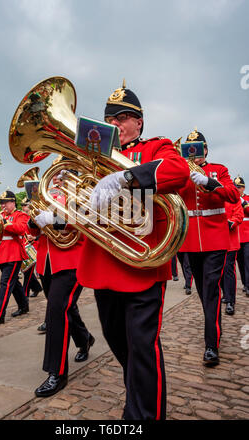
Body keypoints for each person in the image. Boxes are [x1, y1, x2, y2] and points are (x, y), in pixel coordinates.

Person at [65, 82, 189, 420]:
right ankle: (136, 398)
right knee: (117, 340)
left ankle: (145, 415)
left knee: (142, 347)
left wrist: (127, 177)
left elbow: (179, 172)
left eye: (124, 117)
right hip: (103, 259)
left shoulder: (154, 147)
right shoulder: (92, 154)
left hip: (142, 263)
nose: (116, 123)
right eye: (110, 119)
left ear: (139, 122)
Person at [28, 171, 95, 398]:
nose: (56, 179)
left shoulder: (82, 193)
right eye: (55, 175)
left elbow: (85, 223)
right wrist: (33, 221)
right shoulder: (46, 197)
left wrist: (54, 220)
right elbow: (33, 231)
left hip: (72, 261)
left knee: (56, 311)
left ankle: (56, 372)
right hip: (47, 263)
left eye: (61, 175)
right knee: (66, 308)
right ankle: (85, 339)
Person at [178, 128, 240, 366]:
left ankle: (211, 345)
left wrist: (209, 182)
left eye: (198, 149)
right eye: (189, 150)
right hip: (191, 240)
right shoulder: (182, 171)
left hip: (215, 239)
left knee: (211, 288)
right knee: (204, 293)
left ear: (205, 150)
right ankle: (213, 325)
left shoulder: (219, 170)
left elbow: (233, 195)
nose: (194, 154)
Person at [0, 191, 29, 327]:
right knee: (13, 282)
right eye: (1, 202)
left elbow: (21, 228)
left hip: (13, 254)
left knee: (5, 283)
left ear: (13, 202)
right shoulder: (0, 214)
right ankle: (23, 306)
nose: (3, 205)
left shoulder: (20, 215)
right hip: (2, 253)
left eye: (5, 202)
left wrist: (4, 223)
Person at [221, 198, 243, 315]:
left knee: (228, 270)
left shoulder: (233, 197)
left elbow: (239, 215)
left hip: (230, 241)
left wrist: (231, 222)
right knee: (219, 271)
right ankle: (225, 293)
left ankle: (230, 301)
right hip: (216, 241)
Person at [21, 198, 42, 298]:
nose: (24, 207)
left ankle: (24, 296)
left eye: (26, 205)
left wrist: (35, 237)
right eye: (23, 205)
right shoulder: (21, 216)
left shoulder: (37, 215)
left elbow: (43, 232)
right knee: (26, 270)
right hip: (26, 245)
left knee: (28, 272)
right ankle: (37, 287)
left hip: (36, 244)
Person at [235, 177, 249, 297]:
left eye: (239, 187)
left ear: (243, 188)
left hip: (247, 235)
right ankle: (245, 282)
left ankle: (248, 285)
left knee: (247, 261)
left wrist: (244, 203)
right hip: (237, 236)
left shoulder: (247, 198)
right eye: (235, 188)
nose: (237, 189)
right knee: (240, 262)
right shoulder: (232, 200)